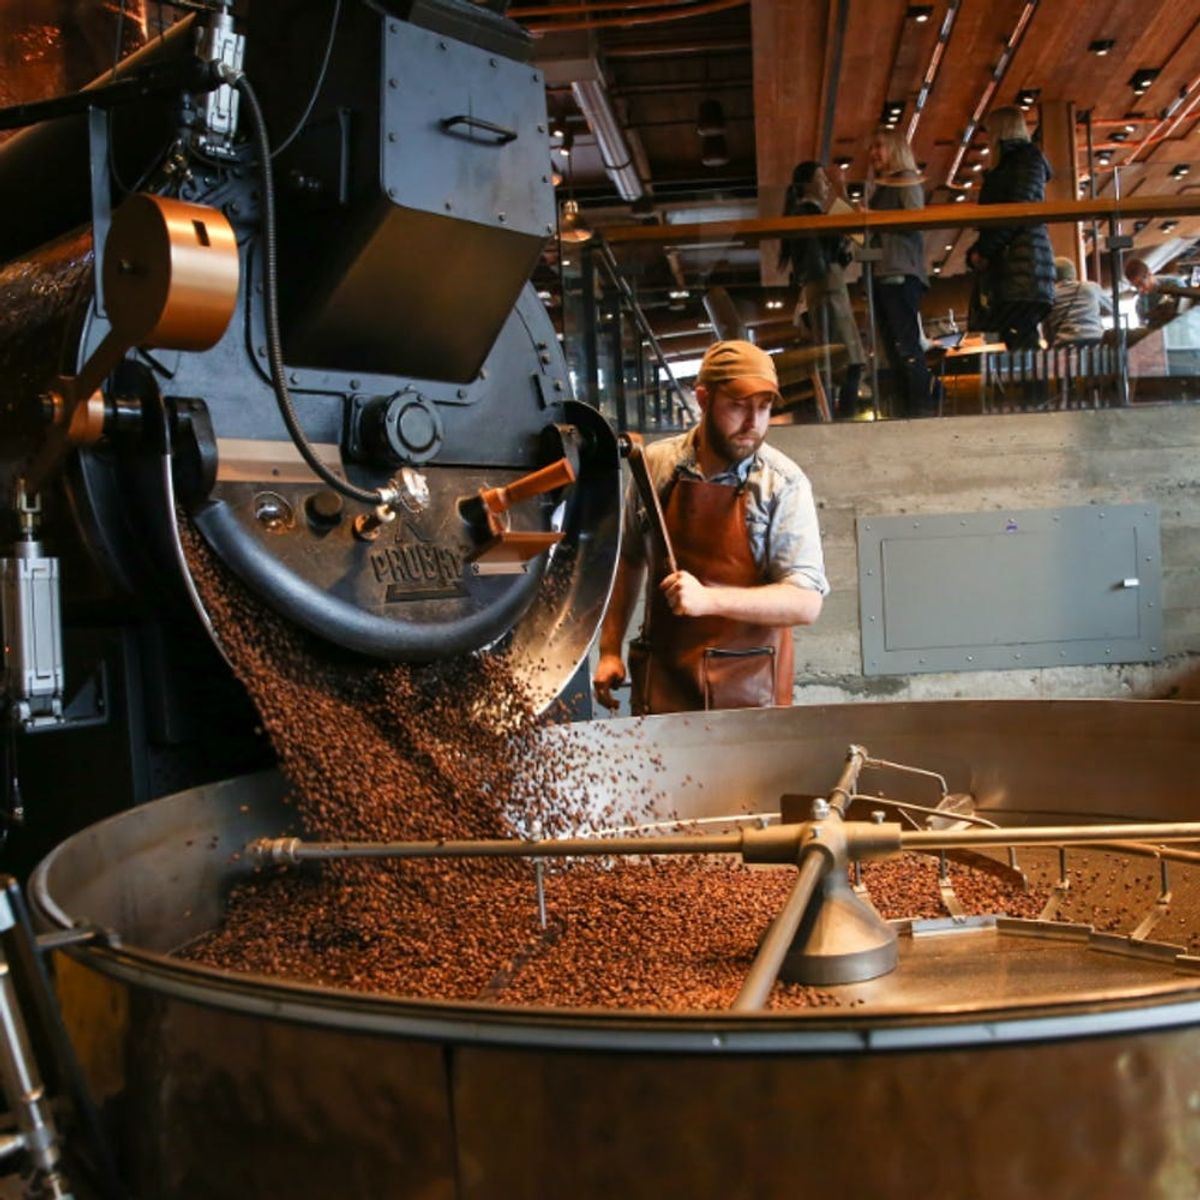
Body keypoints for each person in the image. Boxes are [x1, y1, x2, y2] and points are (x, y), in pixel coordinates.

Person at [593, 340, 828, 716]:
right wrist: (609, 649)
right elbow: (629, 558)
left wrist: (709, 600)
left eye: (764, 408)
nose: (753, 424)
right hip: (664, 682)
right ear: (703, 399)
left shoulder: (781, 484)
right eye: (738, 406)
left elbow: (805, 602)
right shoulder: (655, 466)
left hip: (751, 692)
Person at [779, 161, 866, 415]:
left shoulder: (808, 214)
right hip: (828, 292)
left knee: (846, 360)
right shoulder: (806, 214)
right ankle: (842, 420)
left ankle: (838, 418)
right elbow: (823, 258)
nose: (827, 184)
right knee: (848, 360)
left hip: (828, 291)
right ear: (807, 184)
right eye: (822, 178)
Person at [966, 106, 1055, 350]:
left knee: (1023, 345)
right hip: (1025, 266)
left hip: (1020, 268)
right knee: (1022, 342)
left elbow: (1016, 212)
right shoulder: (1023, 160)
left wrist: (983, 250)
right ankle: (1037, 388)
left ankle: (1037, 389)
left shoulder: (1022, 159)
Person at [867, 128, 934, 418]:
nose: (873, 153)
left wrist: (870, 218)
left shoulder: (905, 181)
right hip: (885, 273)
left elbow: (913, 221)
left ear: (895, 149)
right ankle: (911, 411)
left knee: (905, 346)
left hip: (898, 273)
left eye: (879, 146)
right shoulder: (885, 188)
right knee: (896, 348)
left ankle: (918, 410)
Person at [1046, 257, 1111, 346]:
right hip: (1095, 341)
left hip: (1064, 344)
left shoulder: (1049, 294)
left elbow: (1047, 330)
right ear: (1073, 273)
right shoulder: (1090, 287)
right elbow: (1113, 309)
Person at [1125, 257, 1191, 327]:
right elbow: (1143, 326)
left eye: (1141, 283)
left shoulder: (1175, 285)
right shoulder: (1140, 304)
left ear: (1149, 274)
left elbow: (1187, 312)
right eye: (1136, 286)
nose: (1140, 290)